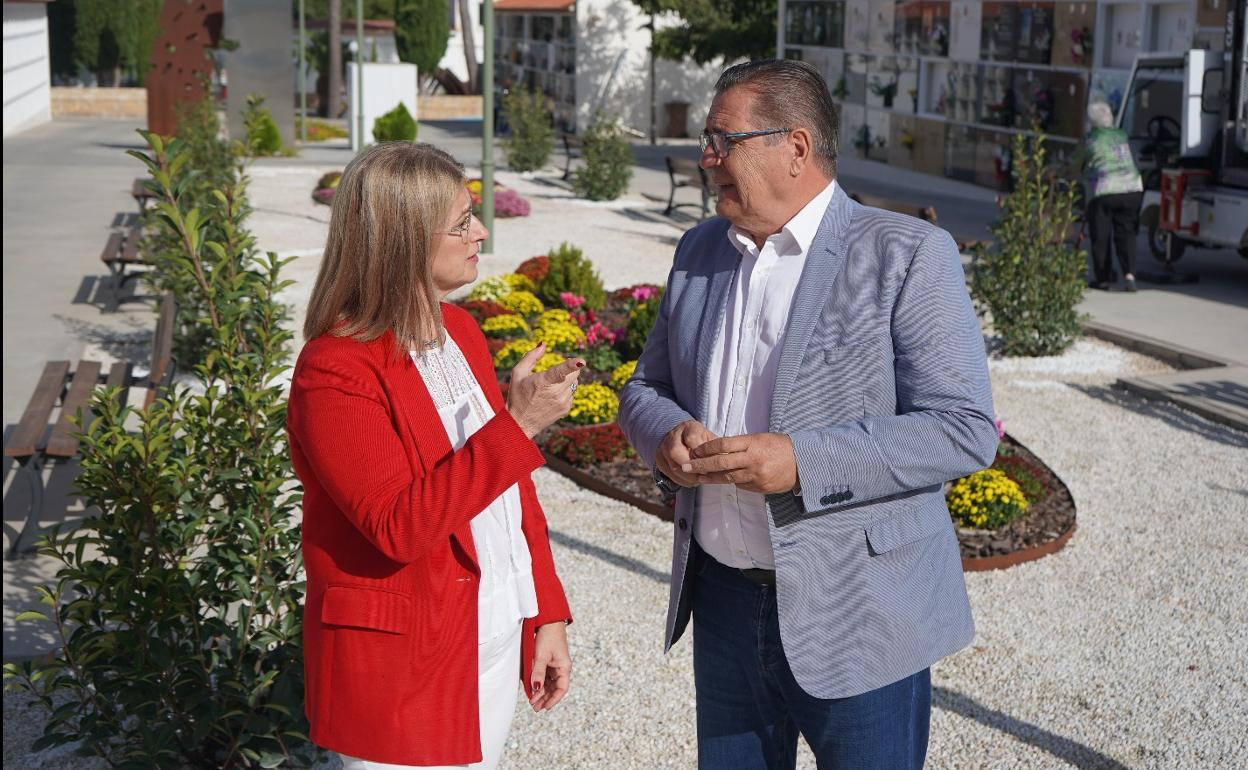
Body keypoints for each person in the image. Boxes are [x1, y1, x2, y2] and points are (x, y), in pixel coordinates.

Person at [617, 60, 998, 769]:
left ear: (795, 147)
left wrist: (802, 462)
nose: (706, 158)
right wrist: (662, 434)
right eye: (707, 139)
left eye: (721, 139)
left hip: (859, 605)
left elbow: (963, 428)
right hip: (725, 599)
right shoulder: (701, 249)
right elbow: (645, 386)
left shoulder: (907, 255)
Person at [287, 142, 580, 769]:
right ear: (403, 243)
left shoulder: (462, 334)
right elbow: (398, 526)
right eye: (461, 222)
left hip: (492, 638)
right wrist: (518, 423)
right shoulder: (334, 369)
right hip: (403, 661)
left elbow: (510, 491)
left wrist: (546, 613)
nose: (480, 232)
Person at [1079, 99, 1144, 291]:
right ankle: (1129, 276)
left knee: (1101, 235)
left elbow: (1075, 164)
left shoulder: (1090, 139)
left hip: (1106, 190)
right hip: (1132, 187)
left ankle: (1103, 279)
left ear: (1091, 122)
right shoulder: (1122, 134)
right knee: (1127, 232)